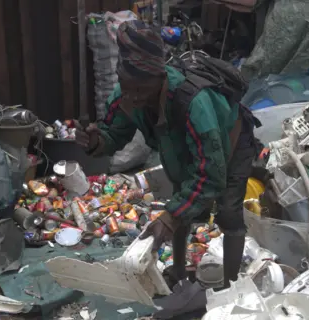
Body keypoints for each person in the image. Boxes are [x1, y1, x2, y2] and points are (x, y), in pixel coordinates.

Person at [76, 20, 257, 290]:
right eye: (127, 86)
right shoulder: (126, 94)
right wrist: (96, 141)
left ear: (160, 79)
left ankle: (232, 288)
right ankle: (179, 273)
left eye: (141, 89)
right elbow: (114, 135)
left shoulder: (193, 102)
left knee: (228, 211)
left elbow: (211, 174)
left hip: (231, 138)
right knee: (180, 200)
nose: (133, 97)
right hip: (185, 145)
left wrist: (171, 216)